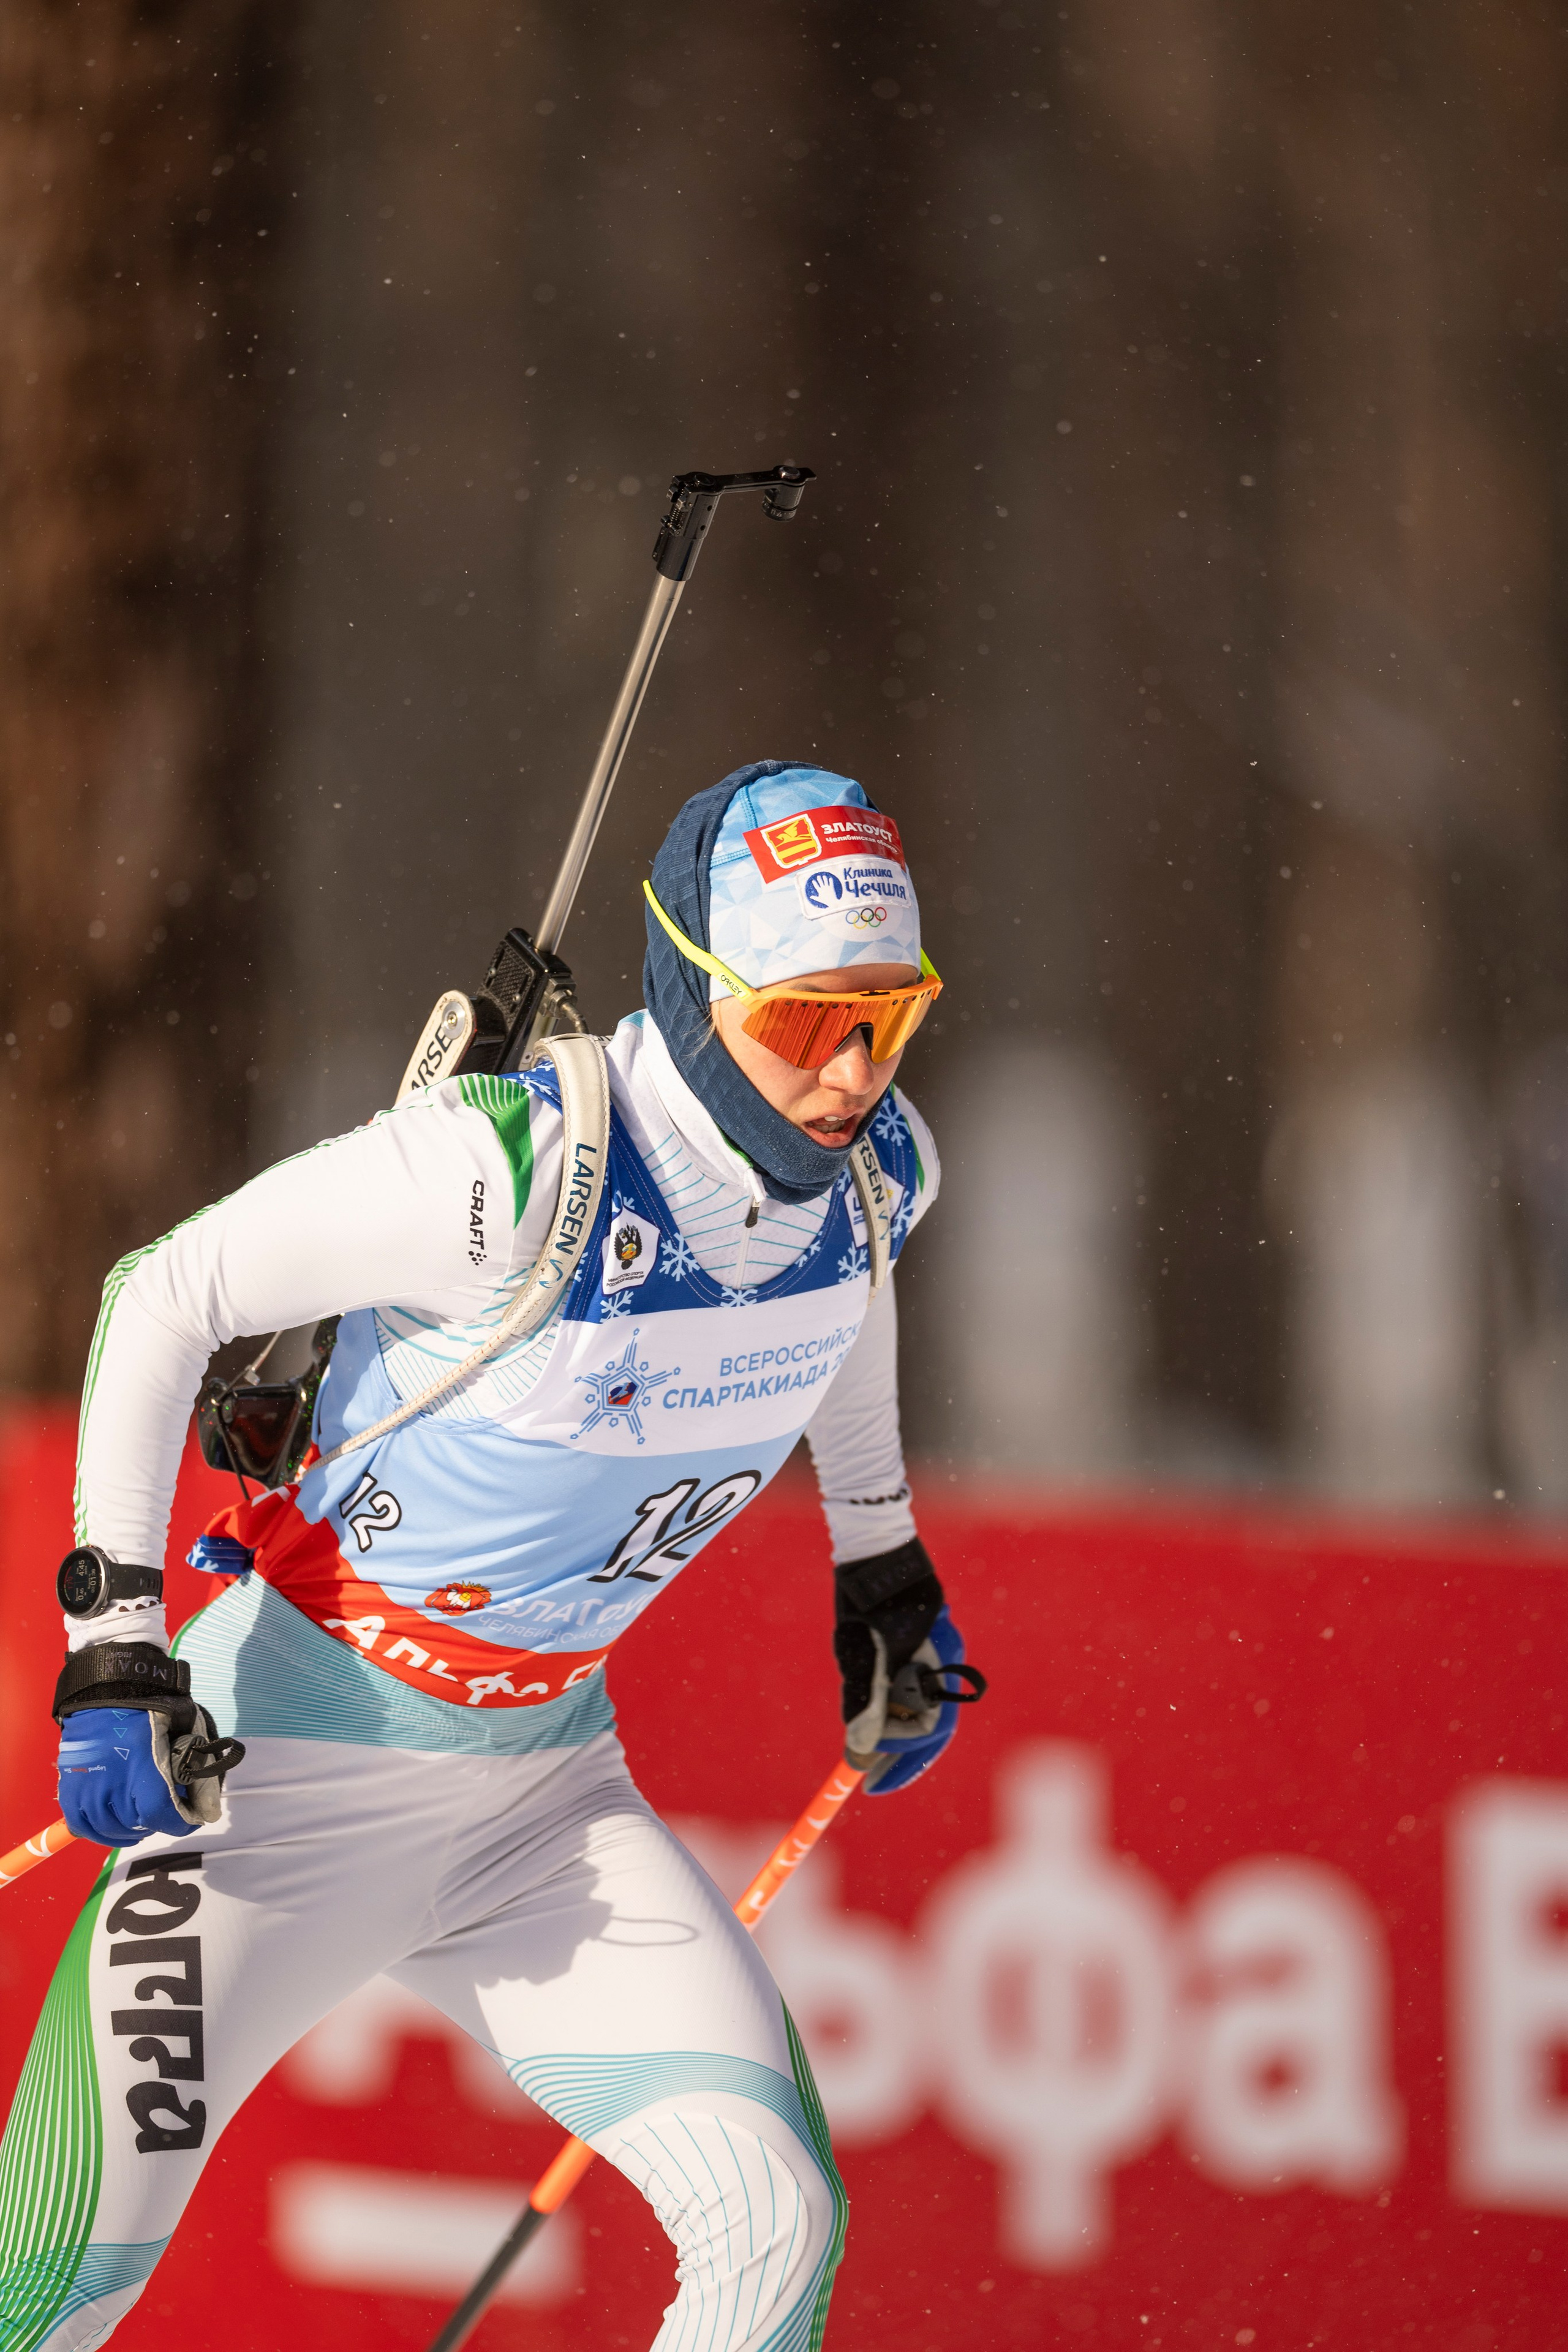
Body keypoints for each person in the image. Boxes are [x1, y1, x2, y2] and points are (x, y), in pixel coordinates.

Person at [0, 761, 976, 2352]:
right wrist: (118, 1644)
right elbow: (161, 1294)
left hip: (542, 1807)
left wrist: (882, 1569)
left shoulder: (876, 1182)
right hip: (280, 1777)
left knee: (777, 2223)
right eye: (808, 1020)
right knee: (48, 2288)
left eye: (893, 1012)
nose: (853, 1069)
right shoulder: (511, 1174)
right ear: (699, 982)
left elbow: (840, 1299)